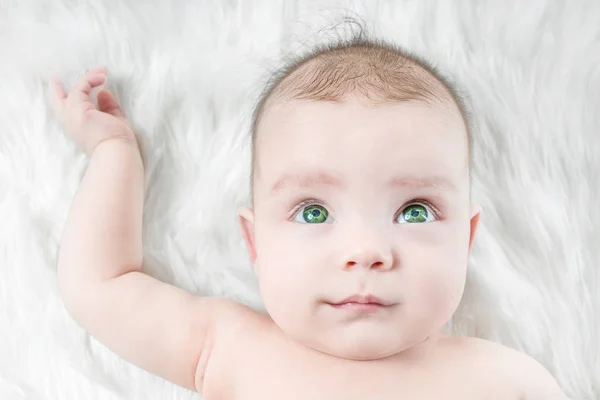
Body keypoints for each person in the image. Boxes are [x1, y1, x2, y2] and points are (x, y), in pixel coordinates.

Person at [49, 25, 568, 399]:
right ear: (255, 244)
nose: (366, 252)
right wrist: (114, 153)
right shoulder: (227, 345)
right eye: (314, 213)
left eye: (415, 212)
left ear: (468, 238)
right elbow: (103, 285)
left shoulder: (505, 380)